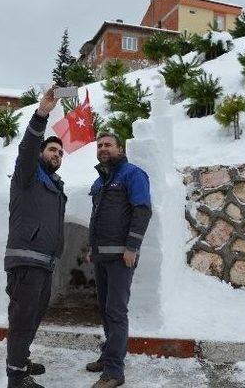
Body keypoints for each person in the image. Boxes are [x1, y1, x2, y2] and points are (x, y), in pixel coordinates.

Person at [4, 87, 67, 388]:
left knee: (33, 316)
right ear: (42, 153)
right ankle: (16, 377)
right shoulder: (27, 175)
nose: (57, 154)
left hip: (44, 263)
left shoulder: (55, 185)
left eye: (60, 152)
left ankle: (22, 359)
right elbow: (27, 147)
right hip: (26, 261)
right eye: (52, 150)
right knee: (22, 318)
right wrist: (42, 113)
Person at [85, 132, 152, 388]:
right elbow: (96, 218)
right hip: (102, 255)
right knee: (104, 309)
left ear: (120, 149)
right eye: (100, 145)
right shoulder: (100, 181)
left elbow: (142, 210)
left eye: (108, 145)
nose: (103, 148)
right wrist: (93, 247)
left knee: (116, 311)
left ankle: (114, 372)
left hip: (122, 257)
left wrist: (132, 247)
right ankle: (108, 355)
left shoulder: (133, 174)